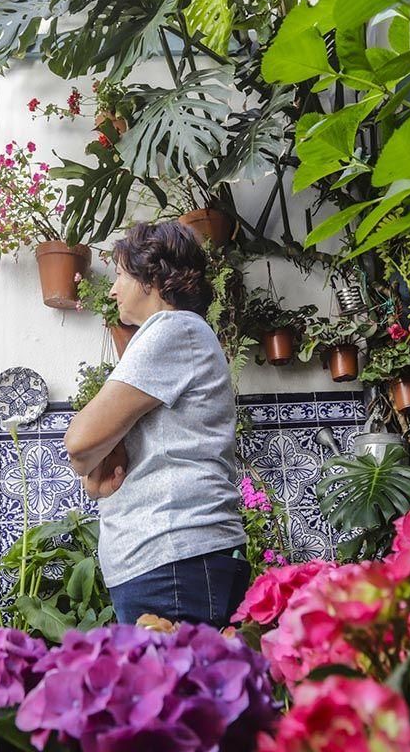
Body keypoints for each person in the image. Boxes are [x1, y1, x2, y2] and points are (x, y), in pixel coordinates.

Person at [63, 221, 249, 627]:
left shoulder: (173, 328)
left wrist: (91, 464)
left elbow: (80, 443)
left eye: (119, 276)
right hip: (168, 560)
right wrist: (95, 474)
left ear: (152, 275)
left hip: (174, 556)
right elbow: (98, 472)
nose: (112, 290)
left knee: (180, 690)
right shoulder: (170, 336)